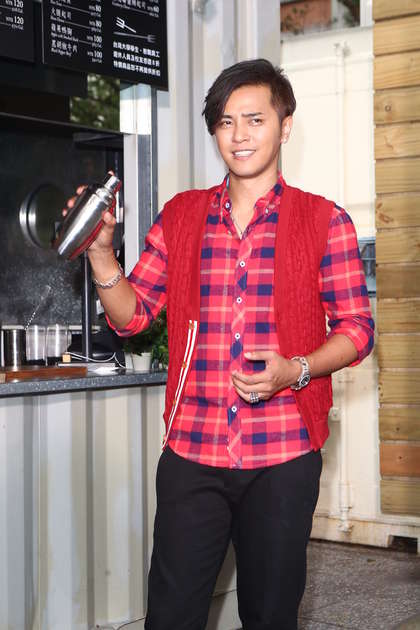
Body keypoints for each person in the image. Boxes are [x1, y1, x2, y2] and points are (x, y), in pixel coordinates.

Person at [67, 58, 374, 630]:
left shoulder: (324, 221)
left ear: (284, 126)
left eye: (255, 119)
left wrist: (296, 370)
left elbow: (357, 328)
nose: (239, 135)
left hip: (283, 455)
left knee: (270, 615)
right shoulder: (182, 216)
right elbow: (134, 317)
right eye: (226, 122)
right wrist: (102, 254)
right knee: (171, 615)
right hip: (192, 454)